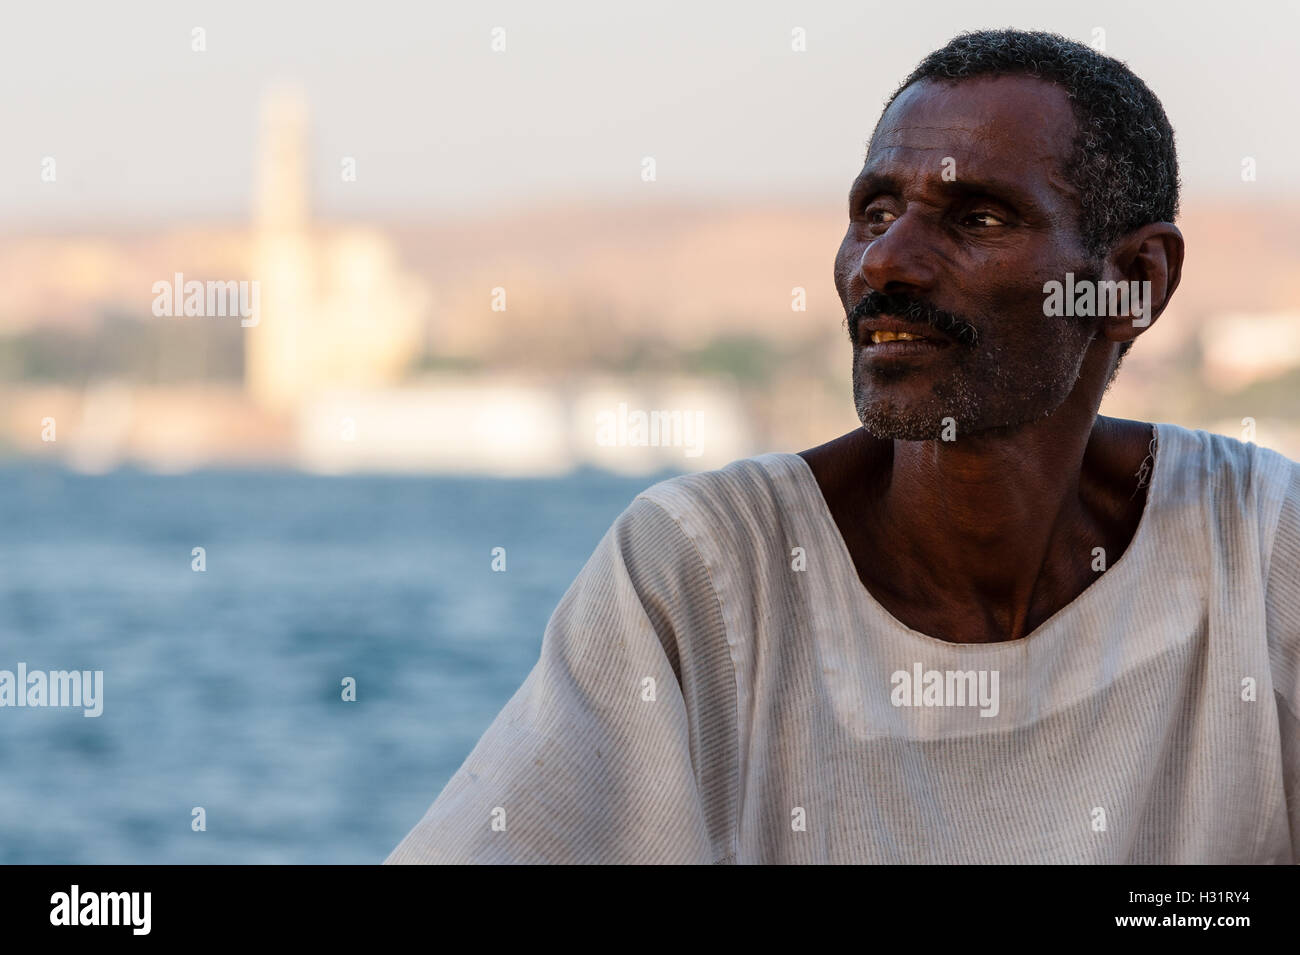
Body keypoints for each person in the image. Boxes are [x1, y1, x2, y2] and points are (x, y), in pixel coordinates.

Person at [387, 29, 1299, 864]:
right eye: (874, 211)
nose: (885, 262)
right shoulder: (703, 571)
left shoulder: (1262, 552)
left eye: (976, 218)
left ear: (1133, 284)